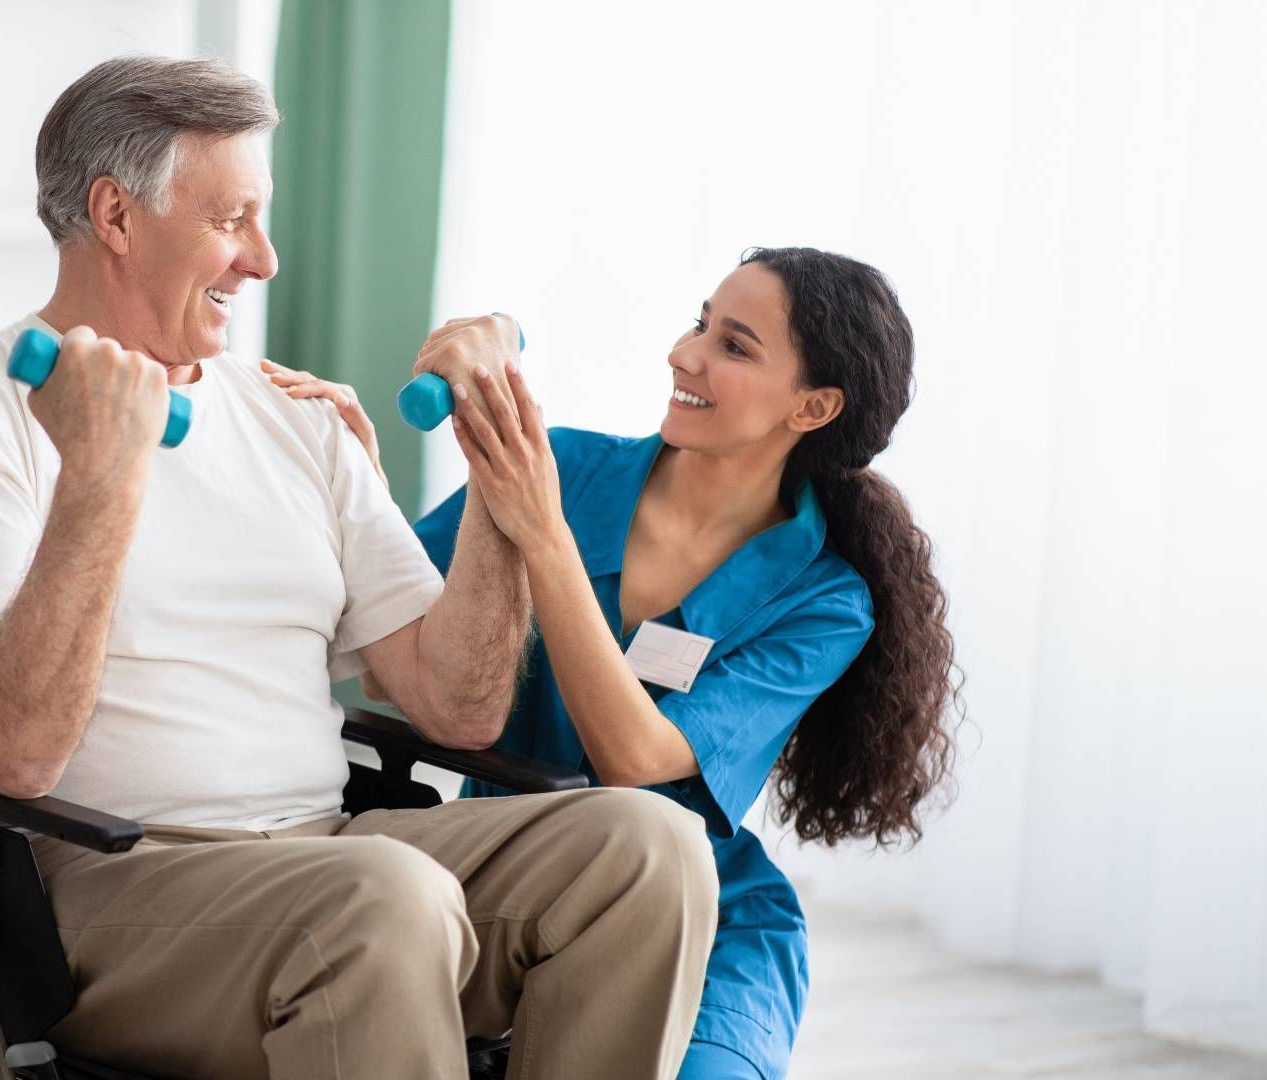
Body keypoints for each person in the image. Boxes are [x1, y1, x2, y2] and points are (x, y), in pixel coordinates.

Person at [0, 55, 718, 1080]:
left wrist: (497, 471)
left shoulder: (291, 418)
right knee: (384, 901)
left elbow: (459, 708)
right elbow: (18, 756)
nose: (264, 261)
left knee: (648, 850)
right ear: (116, 216)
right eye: (233, 221)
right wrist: (101, 479)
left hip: (330, 854)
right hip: (99, 896)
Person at [274, 247, 960, 1079]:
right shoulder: (563, 466)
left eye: (734, 346)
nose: (685, 352)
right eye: (699, 321)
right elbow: (396, 666)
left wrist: (541, 530)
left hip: (702, 916)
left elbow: (634, 763)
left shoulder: (824, 600)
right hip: (507, 880)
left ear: (812, 407)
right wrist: (364, 481)